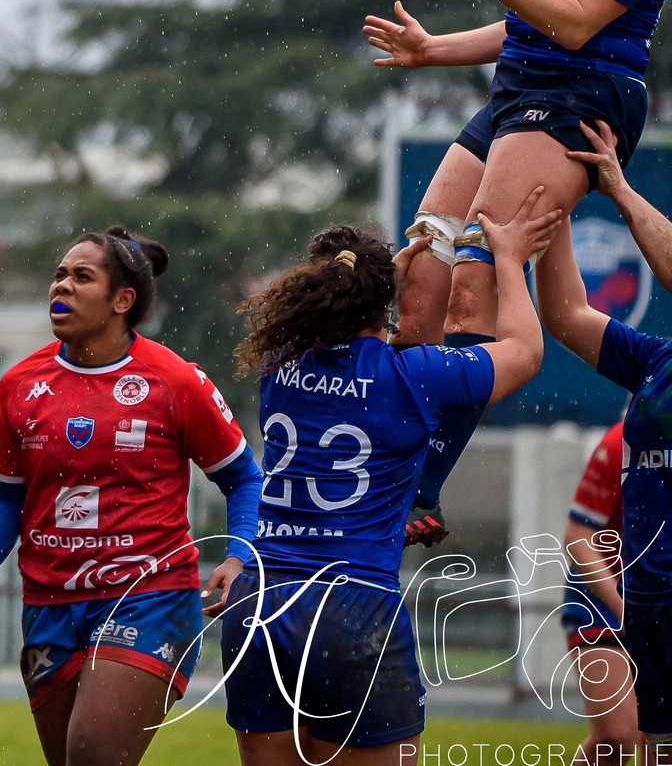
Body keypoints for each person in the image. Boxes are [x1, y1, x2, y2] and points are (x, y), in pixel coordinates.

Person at [364, 0, 672, 535]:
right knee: (422, 272)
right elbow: (526, 17)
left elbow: (574, 24)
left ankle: (415, 493)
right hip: (517, 90)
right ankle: (395, 461)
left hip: (580, 95)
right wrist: (436, 49)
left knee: (476, 282)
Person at [219, 211, 551, 765]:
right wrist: (512, 262)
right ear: (383, 302)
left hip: (259, 600)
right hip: (351, 608)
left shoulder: (279, 361)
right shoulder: (414, 374)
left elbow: (340, 345)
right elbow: (525, 352)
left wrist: (374, 288)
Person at [0, 226, 263, 766]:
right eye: (59, 274)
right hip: (49, 605)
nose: (62, 285)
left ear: (122, 300)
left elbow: (244, 478)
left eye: (82, 277)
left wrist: (240, 555)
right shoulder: (19, 385)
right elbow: (8, 498)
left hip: (149, 596)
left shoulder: (176, 381)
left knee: (94, 757)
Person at [535, 119, 672, 757]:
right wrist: (556, 209)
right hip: (650, 601)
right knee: (648, 748)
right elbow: (566, 316)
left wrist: (616, 187)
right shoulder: (656, 362)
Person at [562, 421, 638, 766]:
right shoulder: (623, 439)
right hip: (601, 602)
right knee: (617, 736)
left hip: (656, 598)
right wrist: (624, 609)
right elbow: (578, 538)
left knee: (660, 737)